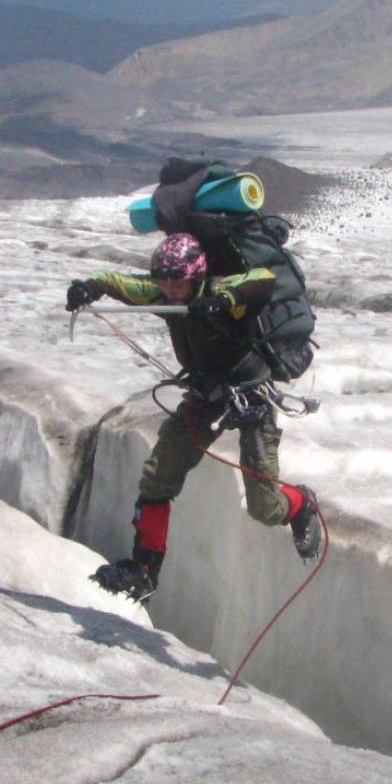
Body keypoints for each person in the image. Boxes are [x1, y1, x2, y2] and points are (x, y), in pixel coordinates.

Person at [66, 231, 321, 601]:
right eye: (164, 279)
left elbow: (262, 279)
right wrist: (88, 287)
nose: (170, 288)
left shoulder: (221, 292)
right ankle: (143, 569)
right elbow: (118, 282)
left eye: (178, 280)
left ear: (198, 275)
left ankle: (300, 504)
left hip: (251, 398)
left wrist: (221, 300)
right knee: (158, 478)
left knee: (265, 507)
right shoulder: (163, 293)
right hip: (206, 396)